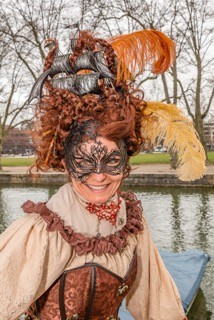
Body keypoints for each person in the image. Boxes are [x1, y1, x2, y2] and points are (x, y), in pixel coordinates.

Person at [0, 29, 206, 320]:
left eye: (111, 161)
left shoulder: (132, 225)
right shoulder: (41, 232)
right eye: (84, 161)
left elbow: (158, 303)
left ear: (127, 159)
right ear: (66, 161)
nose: (99, 176)